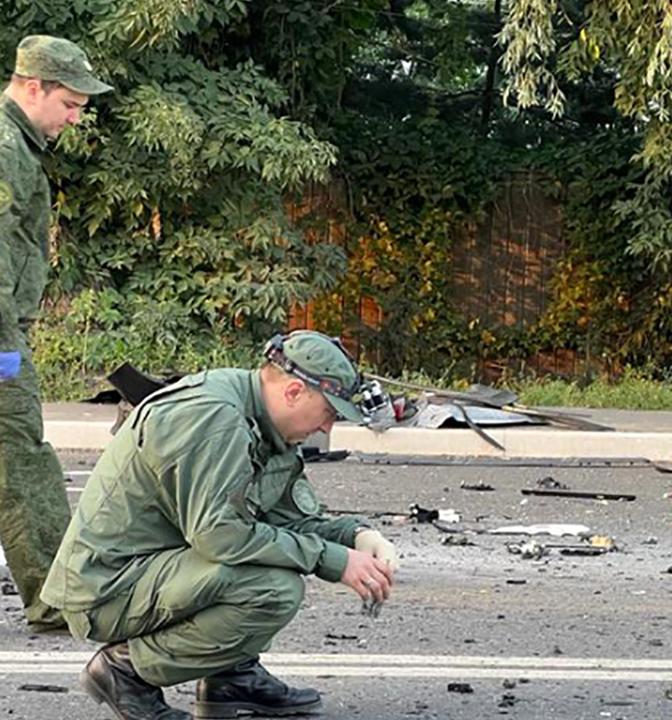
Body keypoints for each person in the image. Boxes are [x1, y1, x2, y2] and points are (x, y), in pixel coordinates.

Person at [41, 331, 400, 719]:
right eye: (329, 413)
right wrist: (333, 560)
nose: (328, 429)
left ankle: (229, 677)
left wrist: (358, 536)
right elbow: (222, 537)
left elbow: (290, 522)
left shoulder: (263, 422)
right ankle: (125, 670)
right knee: (271, 589)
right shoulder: (215, 418)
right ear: (294, 392)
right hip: (107, 587)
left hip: (155, 569)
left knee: (270, 563)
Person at [0, 34, 112, 633]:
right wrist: (4, 353)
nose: (75, 117)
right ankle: (53, 597)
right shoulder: (5, 149)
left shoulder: (17, 144)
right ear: (34, 87)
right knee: (20, 455)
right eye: (70, 103)